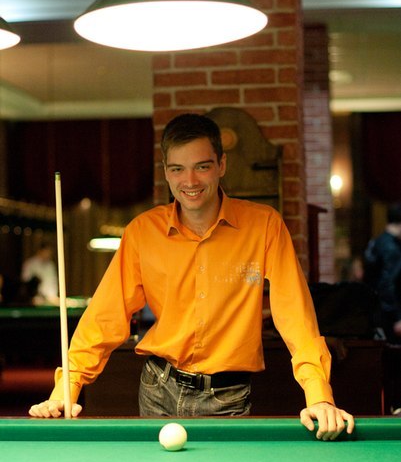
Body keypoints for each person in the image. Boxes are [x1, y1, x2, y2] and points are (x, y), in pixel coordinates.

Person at [29, 113, 354, 439]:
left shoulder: (264, 226)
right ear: (166, 172)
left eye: (202, 166)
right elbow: (104, 317)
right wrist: (66, 389)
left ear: (221, 165)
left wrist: (319, 396)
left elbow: (295, 314)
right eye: (177, 169)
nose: (190, 180)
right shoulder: (142, 232)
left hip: (227, 396)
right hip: (157, 388)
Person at [364, 202, 401, 413]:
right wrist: (397, 318)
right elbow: (387, 285)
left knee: (386, 365)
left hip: (375, 315)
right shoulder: (392, 248)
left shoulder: (376, 242)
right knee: (395, 364)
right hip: (388, 317)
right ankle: (396, 407)